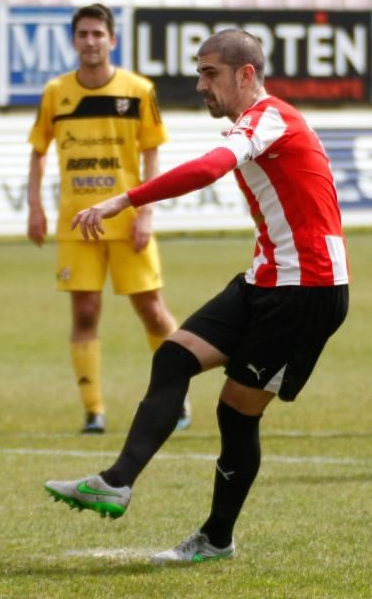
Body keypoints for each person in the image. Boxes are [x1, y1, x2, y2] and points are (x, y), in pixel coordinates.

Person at [44, 29, 349, 564]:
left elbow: (211, 167)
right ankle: (116, 483)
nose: (200, 84)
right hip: (268, 278)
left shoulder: (268, 118)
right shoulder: (260, 122)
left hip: (307, 290)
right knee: (174, 356)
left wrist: (126, 199)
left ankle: (216, 538)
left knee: (236, 412)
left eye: (210, 74)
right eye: (200, 73)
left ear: (245, 75)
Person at [26, 3, 190, 435]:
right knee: (84, 313)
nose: (91, 41)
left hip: (127, 219)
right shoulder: (55, 92)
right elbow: (38, 152)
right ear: (73, 40)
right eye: (83, 34)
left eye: (98, 34)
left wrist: (147, 212)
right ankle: (93, 411)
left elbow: (152, 152)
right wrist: (34, 207)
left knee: (153, 312)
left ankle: (178, 399)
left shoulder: (138, 90)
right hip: (76, 222)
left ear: (112, 40)